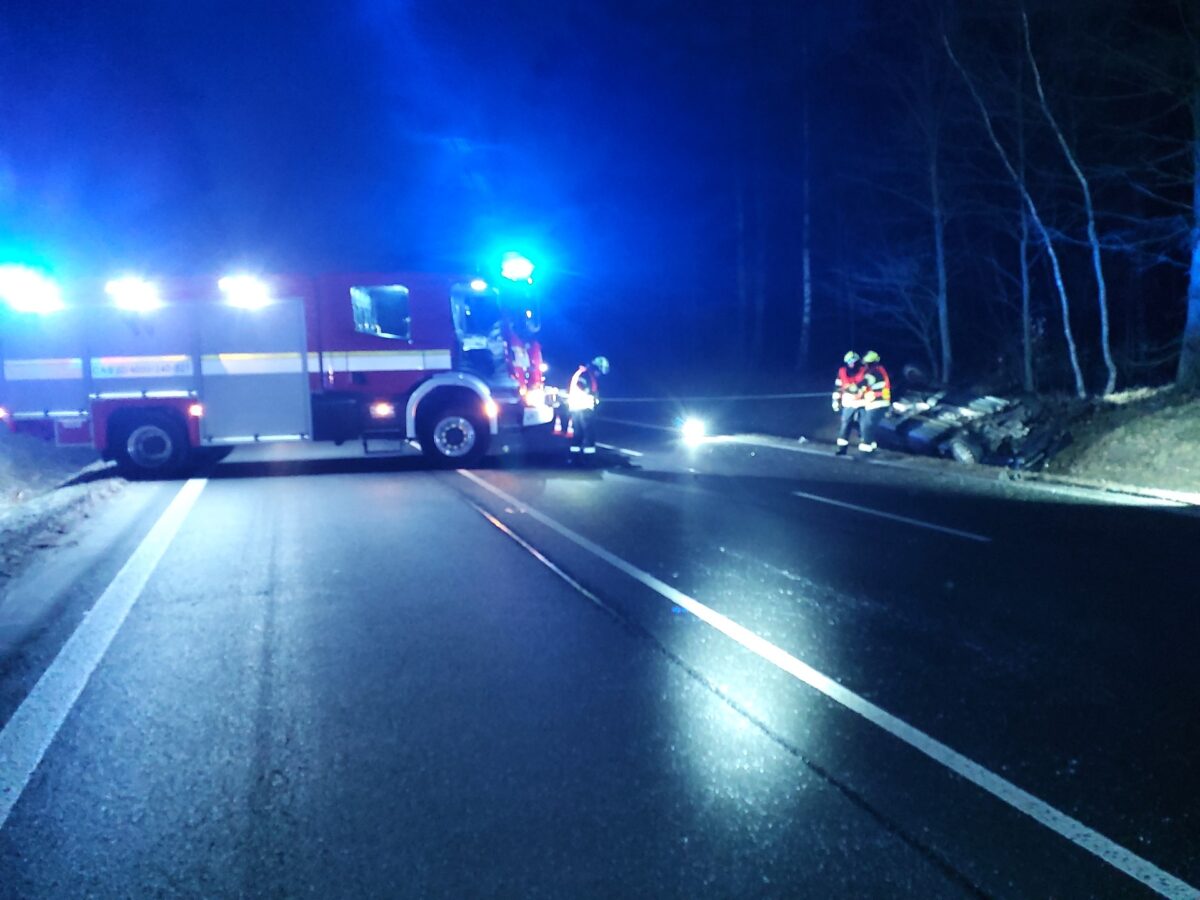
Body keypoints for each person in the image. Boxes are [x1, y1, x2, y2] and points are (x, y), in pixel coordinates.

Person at [568, 356, 609, 456]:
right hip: (584, 408)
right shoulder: (586, 373)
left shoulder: (583, 372)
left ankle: (575, 457)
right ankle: (589, 457)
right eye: (599, 371)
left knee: (578, 434)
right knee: (589, 433)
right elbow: (581, 385)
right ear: (597, 367)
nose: (598, 374)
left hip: (576, 408)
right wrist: (592, 395)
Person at [857, 350, 892, 454]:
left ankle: (866, 445)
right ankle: (871, 443)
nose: (864, 365)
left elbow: (862, 384)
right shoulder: (881, 370)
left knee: (866, 424)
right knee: (870, 424)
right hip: (881, 402)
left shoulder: (872, 373)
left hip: (876, 402)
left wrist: (853, 389)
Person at [832, 351, 864, 455]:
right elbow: (837, 388)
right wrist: (836, 401)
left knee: (863, 426)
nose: (852, 364)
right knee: (845, 425)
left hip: (862, 403)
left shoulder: (865, 371)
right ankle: (842, 448)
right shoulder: (842, 372)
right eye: (849, 362)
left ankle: (865, 449)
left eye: (854, 361)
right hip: (849, 403)